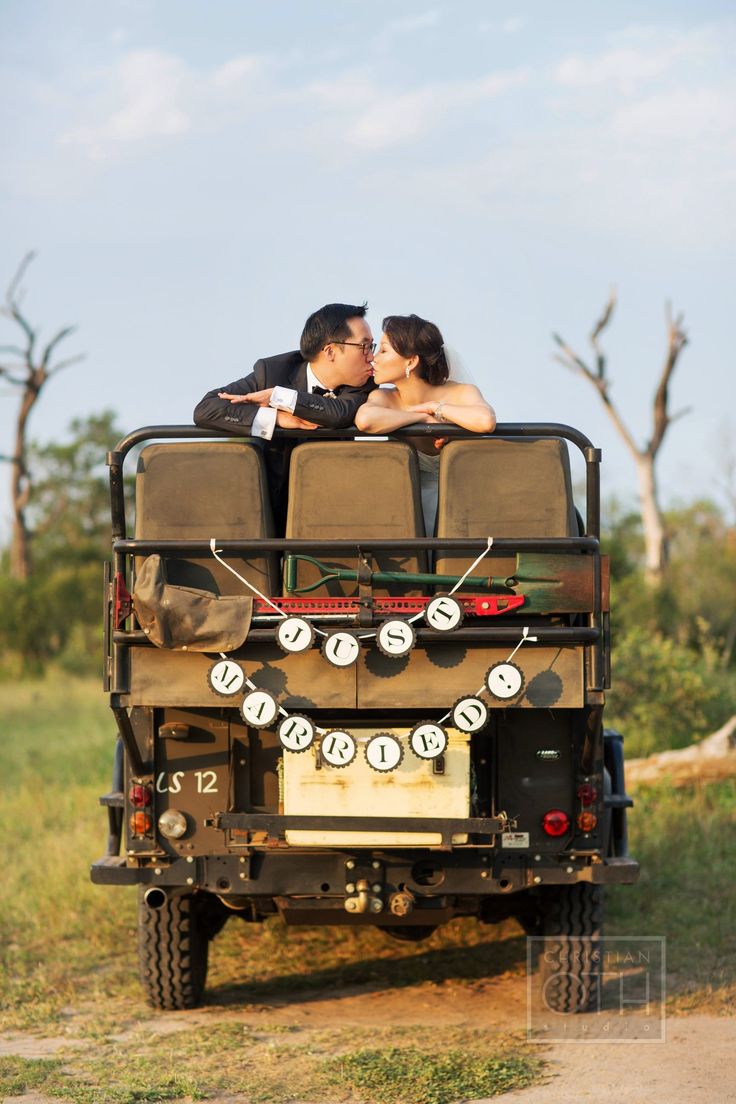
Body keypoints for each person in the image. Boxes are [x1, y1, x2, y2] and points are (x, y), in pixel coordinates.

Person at [193, 303, 376, 531]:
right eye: (364, 347)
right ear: (330, 351)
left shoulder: (364, 384)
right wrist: (275, 418)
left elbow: (339, 414)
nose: (371, 357)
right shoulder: (273, 371)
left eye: (372, 347)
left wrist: (280, 397)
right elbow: (207, 409)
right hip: (266, 510)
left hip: (332, 514)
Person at [354, 314, 495, 533]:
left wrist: (434, 408)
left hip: (468, 504)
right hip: (405, 507)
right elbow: (365, 420)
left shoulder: (461, 392)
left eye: (383, 350)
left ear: (411, 361)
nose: (373, 358)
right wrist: (419, 417)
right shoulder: (384, 398)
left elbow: (485, 421)